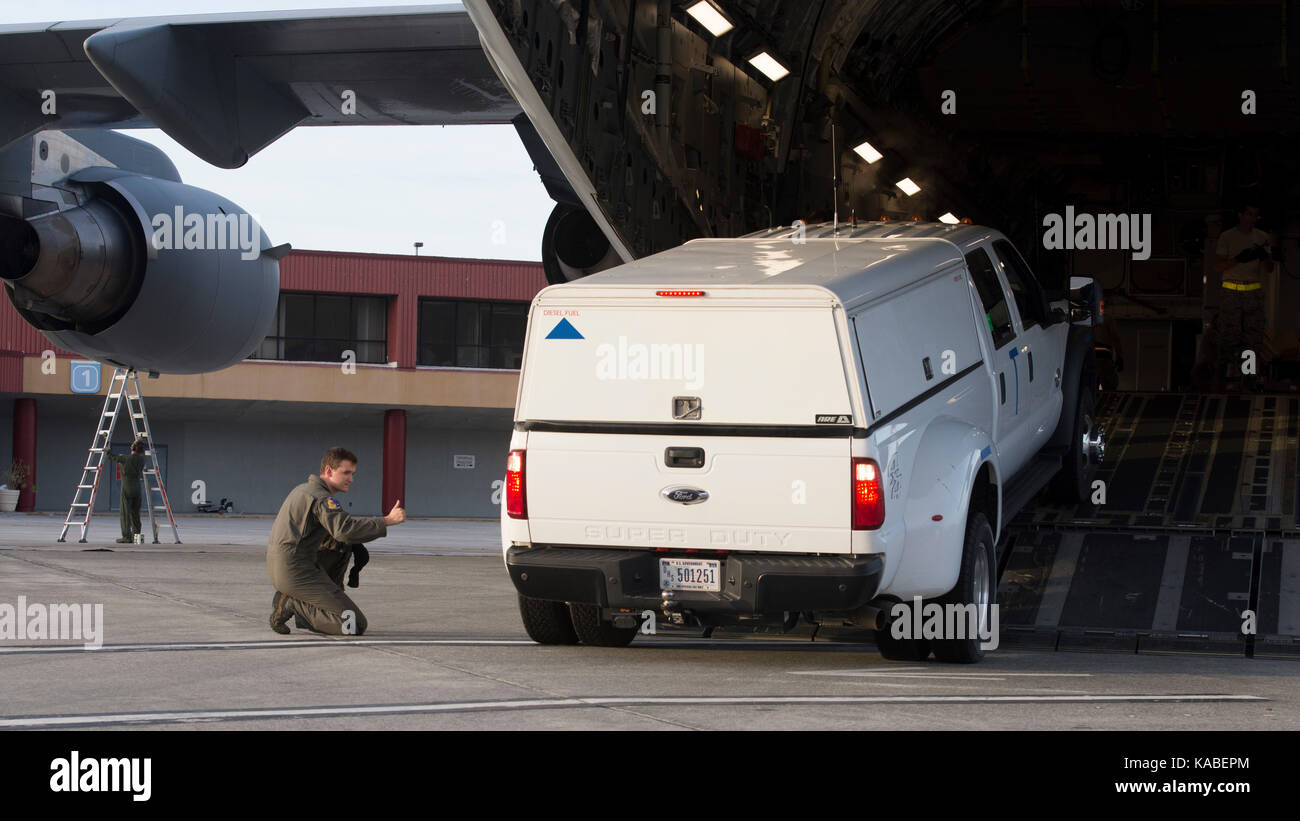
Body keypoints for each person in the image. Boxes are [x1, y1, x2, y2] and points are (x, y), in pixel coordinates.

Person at [267, 447, 405, 636]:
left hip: (284, 566)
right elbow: (345, 530)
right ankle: (293, 603)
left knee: (343, 544)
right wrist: (387, 521)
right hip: (295, 571)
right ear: (329, 471)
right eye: (346, 473)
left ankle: (297, 600)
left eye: (353, 473)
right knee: (353, 624)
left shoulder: (303, 490)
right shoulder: (321, 498)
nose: (351, 479)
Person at [1213, 203, 1273, 391]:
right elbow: (1218, 267)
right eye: (1249, 214)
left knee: (1252, 338)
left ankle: (1248, 378)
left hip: (1252, 292)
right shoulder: (1227, 236)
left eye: (1255, 215)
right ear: (1240, 215)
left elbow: (1269, 269)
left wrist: (1264, 256)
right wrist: (1239, 258)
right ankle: (1224, 375)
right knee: (1229, 336)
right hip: (1231, 291)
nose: (1252, 218)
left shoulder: (1262, 237)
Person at [105, 439, 146, 543]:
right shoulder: (142, 460)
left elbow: (110, 456)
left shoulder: (125, 458)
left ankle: (126, 537)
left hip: (127, 488)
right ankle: (136, 537)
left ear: (132, 448)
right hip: (137, 488)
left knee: (125, 513)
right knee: (136, 514)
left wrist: (107, 448)